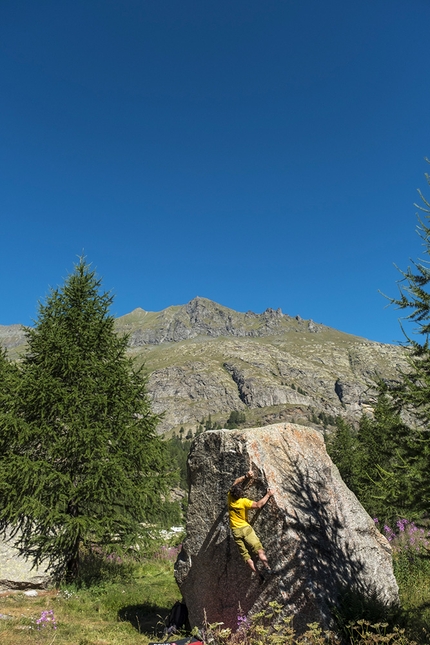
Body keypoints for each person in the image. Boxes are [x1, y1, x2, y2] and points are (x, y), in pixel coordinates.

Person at [227, 469, 273, 579]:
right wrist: (268, 494)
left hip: (235, 531)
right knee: (259, 550)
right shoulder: (243, 502)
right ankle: (268, 568)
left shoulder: (229, 496)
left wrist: (246, 476)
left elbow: (236, 481)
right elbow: (258, 505)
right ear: (240, 494)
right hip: (245, 529)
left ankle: (259, 575)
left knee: (246, 557)